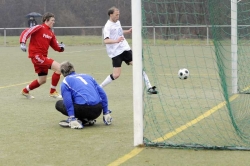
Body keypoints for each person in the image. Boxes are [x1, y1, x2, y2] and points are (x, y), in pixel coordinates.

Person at [100, 6, 158, 94]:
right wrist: (116, 41)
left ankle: (149, 87)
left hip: (125, 49)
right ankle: (99, 87)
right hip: (115, 53)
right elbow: (106, 40)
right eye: (116, 15)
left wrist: (128, 31)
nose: (118, 16)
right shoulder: (107, 26)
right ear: (111, 15)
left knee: (138, 65)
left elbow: (119, 32)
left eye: (118, 14)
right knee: (116, 75)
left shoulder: (117, 22)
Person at [19, 12, 65, 99]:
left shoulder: (51, 33)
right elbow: (26, 32)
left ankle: (25, 91)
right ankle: (52, 92)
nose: (54, 22)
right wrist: (22, 43)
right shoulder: (39, 27)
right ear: (46, 20)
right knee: (59, 68)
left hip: (42, 57)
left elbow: (56, 47)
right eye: (52, 20)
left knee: (42, 80)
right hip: (36, 56)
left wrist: (61, 48)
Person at [55, 61, 112, 129]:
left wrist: (72, 117)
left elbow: (68, 101)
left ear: (62, 72)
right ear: (73, 68)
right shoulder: (88, 76)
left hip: (82, 109)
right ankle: (85, 120)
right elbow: (102, 94)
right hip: (98, 110)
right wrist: (105, 112)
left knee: (58, 104)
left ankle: (74, 120)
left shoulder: (66, 81)